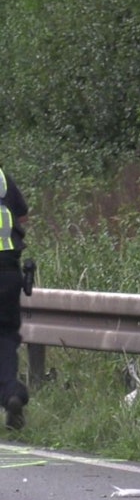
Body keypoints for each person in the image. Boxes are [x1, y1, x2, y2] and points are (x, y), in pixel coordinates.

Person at [0, 165, 30, 430]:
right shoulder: (2, 179)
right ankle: (12, 393)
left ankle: (10, 393)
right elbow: (22, 216)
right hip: (8, 273)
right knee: (6, 337)